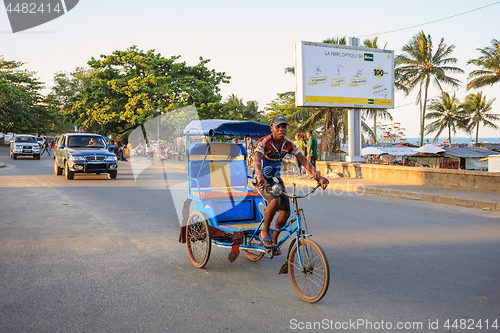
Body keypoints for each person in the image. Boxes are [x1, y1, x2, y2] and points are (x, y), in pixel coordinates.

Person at [253, 115, 329, 249]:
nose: (281, 129)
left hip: (276, 180)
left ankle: (274, 240)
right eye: (278, 127)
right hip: (262, 179)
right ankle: (264, 230)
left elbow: (303, 160)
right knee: (275, 201)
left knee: (286, 212)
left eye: (284, 127)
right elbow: (257, 159)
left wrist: (318, 176)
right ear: (272, 128)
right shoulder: (264, 142)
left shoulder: (289, 144)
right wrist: (260, 176)